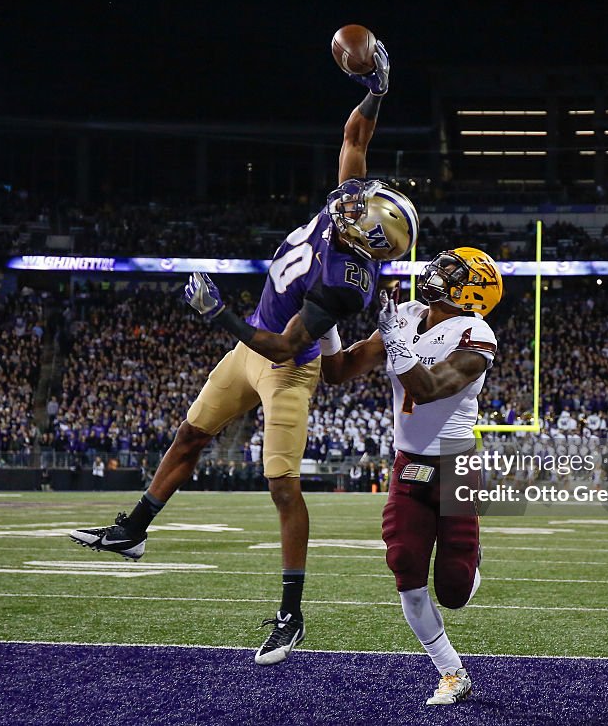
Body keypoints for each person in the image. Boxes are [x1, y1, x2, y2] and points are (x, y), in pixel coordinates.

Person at [70, 40, 419, 666]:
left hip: (286, 364)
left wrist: (217, 314)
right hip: (254, 339)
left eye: (362, 208)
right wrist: (378, 90)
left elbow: (286, 345)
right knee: (188, 437)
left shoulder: (347, 279)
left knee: (282, 487)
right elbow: (354, 141)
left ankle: (291, 615)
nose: (351, 199)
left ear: (369, 238)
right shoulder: (349, 215)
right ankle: (133, 532)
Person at [320, 247, 503, 706]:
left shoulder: (475, 332)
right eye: (444, 265)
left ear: (474, 293)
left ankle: (472, 557)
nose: (439, 273)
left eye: (453, 272)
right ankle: (451, 671)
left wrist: (395, 339)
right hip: (408, 464)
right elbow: (338, 371)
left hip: (454, 468)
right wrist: (325, 320)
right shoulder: (407, 313)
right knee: (405, 568)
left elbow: (429, 388)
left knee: (455, 590)